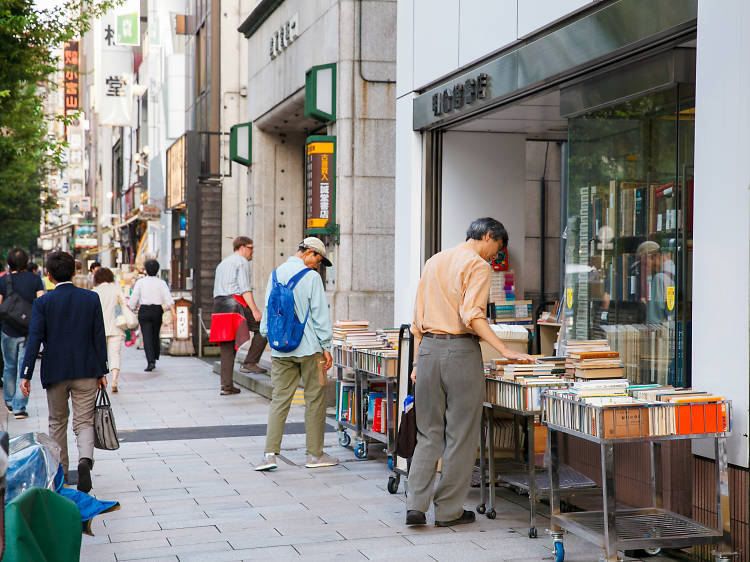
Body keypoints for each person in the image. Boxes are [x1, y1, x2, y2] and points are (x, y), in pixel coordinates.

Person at [406, 217, 533, 527]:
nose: (495, 257)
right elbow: (471, 315)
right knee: (460, 434)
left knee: (428, 432)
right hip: (459, 352)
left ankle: (415, 507)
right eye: (497, 249)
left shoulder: (434, 261)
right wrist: (503, 349)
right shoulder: (477, 265)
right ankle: (448, 511)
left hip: (428, 351)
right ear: (488, 236)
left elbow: (417, 317)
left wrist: (416, 363)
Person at [19, 250, 109, 492]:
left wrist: (25, 374)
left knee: (57, 421)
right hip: (87, 368)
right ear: (75, 271)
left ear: (48, 275)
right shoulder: (90, 298)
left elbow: (34, 339)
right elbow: (98, 337)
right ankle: (85, 461)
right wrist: (103, 370)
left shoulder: (43, 302)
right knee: (84, 420)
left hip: (56, 370)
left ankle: (61, 471)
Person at [255, 237, 337, 471]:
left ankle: (269, 455)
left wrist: (269, 339)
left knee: (279, 400)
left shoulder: (275, 273)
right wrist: (327, 346)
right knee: (314, 399)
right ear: (308, 252)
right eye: (317, 260)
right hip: (310, 349)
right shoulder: (311, 278)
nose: (317, 266)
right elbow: (320, 314)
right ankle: (314, 455)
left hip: (281, 348)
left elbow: (269, 309)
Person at [209, 236, 268, 396]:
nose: (252, 252)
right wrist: (255, 310)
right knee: (263, 328)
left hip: (219, 305)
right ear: (242, 248)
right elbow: (244, 289)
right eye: (250, 248)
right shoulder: (241, 262)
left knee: (227, 346)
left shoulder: (223, 263)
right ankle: (250, 362)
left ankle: (227, 386)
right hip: (234, 303)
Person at [0, 248, 44, 418]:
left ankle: (10, 402)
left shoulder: (4, 280)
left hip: (8, 330)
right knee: (23, 367)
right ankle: (20, 407)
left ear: (9, 262)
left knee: (9, 366)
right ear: (26, 261)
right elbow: (41, 302)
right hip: (28, 330)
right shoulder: (35, 279)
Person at [129, 259, 176, 372]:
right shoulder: (161, 283)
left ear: (146, 270)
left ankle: (150, 360)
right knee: (155, 334)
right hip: (157, 310)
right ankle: (154, 356)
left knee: (146, 336)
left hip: (144, 310)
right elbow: (168, 299)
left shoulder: (140, 282)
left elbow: (133, 299)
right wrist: (174, 312)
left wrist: (130, 308)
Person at [93, 267, 126, 392]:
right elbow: (123, 304)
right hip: (115, 326)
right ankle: (114, 380)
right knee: (115, 354)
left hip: (99, 328)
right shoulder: (116, 289)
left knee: (100, 354)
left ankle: (101, 378)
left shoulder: (95, 291)